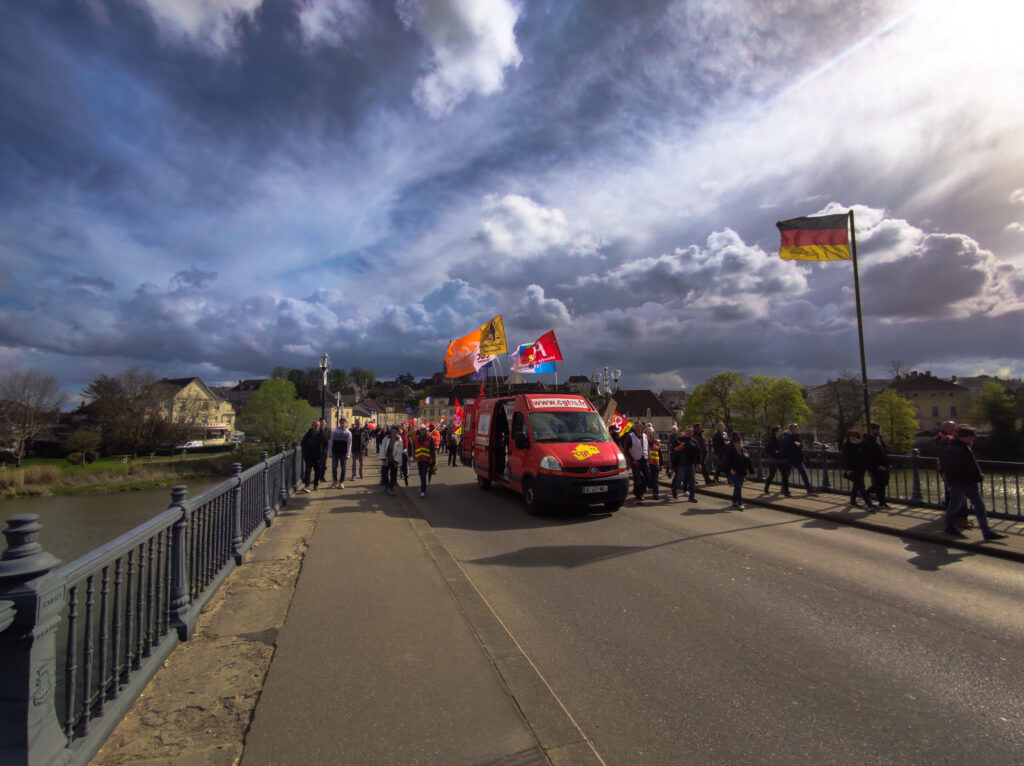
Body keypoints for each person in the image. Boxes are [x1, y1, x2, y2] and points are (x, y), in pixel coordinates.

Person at [940, 426, 1006, 540]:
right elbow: (965, 467)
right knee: (958, 506)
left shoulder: (955, 448)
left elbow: (963, 466)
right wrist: (977, 475)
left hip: (966, 482)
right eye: (972, 438)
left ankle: (986, 531)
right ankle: (952, 527)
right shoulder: (958, 449)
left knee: (972, 506)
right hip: (961, 482)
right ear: (967, 437)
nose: (973, 440)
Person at [935, 420, 970, 528]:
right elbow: (946, 456)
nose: (956, 429)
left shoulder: (945, 438)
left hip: (949, 471)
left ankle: (952, 518)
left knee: (953, 495)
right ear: (948, 428)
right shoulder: (944, 439)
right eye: (954, 427)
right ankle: (957, 520)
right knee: (959, 496)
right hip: (951, 471)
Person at [841, 430, 875, 510]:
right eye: (851, 436)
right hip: (853, 469)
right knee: (861, 486)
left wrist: (861, 442)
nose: (853, 437)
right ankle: (869, 504)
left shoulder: (861, 444)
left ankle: (852, 502)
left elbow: (867, 453)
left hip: (861, 469)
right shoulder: (847, 446)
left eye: (855, 436)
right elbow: (845, 458)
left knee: (857, 485)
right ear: (848, 437)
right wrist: (848, 469)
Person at [780, 423, 815, 496]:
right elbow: (792, 446)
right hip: (790, 458)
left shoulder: (796, 436)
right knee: (787, 473)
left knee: (803, 473)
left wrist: (799, 445)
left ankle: (809, 489)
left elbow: (800, 444)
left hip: (797, 458)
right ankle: (783, 488)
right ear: (792, 429)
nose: (798, 430)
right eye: (797, 428)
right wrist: (798, 445)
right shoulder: (786, 436)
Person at [862, 423, 891, 509]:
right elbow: (868, 456)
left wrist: (889, 463)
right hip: (876, 466)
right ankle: (881, 502)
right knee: (880, 484)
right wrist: (876, 466)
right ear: (872, 430)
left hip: (883, 464)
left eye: (878, 429)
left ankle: (867, 493)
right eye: (876, 429)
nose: (878, 431)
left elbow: (885, 451)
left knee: (884, 481)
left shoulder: (879, 438)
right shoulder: (868, 440)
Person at [723, 433, 753, 510]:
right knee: (738, 486)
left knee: (739, 486)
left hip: (742, 471)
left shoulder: (744, 450)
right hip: (734, 471)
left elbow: (748, 461)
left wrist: (751, 471)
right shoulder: (730, 450)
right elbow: (727, 461)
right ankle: (740, 503)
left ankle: (734, 500)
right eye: (737, 443)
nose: (739, 444)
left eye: (740, 442)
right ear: (734, 443)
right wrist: (730, 469)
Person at [670, 426, 699, 502]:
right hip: (681, 463)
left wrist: (699, 463)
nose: (688, 433)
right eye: (687, 431)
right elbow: (673, 449)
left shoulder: (694, 441)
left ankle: (691, 497)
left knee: (692, 480)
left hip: (691, 463)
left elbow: (698, 452)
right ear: (685, 432)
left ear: (692, 433)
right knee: (680, 478)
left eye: (690, 431)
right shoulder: (679, 440)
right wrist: (678, 448)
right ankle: (674, 490)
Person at [627, 425, 650, 504]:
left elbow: (647, 447)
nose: (637, 429)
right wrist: (632, 460)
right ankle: (638, 497)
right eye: (636, 428)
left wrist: (648, 456)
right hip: (635, 460)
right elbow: (626, 450)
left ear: (641, 428)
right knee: (637, 479)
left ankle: (641, 491)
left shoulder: (644, 436)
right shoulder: (630, 437)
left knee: (648, 476)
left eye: (639, 427)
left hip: (644, 459)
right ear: (634, 429)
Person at [327, 418, 352, 489]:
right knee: (334, 467)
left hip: (343, 453)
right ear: (339, 423)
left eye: (344, 423)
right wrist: (330, 452)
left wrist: (348, 454)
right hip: (335, 452)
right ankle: (335, 481)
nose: (342, 424)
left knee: (343, 468)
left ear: (346, 423)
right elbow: (331, 442)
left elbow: (349, 444)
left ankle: (341, 482)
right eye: (341, 423)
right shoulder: (334, 432)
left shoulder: (348, 433)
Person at [412, 424, 436, 497]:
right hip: (419, 459)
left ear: (426, 430)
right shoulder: (416, 438)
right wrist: (413, 456)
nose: (423, 431)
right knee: (420, 474)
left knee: (423, 475)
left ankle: (422, 491)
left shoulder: (429, 438)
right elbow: (414, 448)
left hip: (426, 459)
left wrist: (432, 458)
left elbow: (432, 449)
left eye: (424, 429)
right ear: (419, 430)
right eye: (421, 430)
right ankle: (423, 487)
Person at [300, 420, 322, 492]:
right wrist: (305, 454)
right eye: (315, 425)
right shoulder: (308, 434)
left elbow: (325, 445)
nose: (316, 427)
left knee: (317, 471)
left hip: (318, 456)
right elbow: (303, 444)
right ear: (312, 426)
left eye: (318, 425)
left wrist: (323, 454)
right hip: (309, 456)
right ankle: (307, 485)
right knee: (308, 471)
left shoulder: (321, 435)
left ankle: (316, 485)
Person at [379, 427, 403, 495]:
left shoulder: (399, 440)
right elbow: (383, 448)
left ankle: (391, 488)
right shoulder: (386, 439)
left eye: (395, 431)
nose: (393, 433)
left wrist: (396, 461)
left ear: (397, 432)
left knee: (393, 475)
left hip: (394, 460)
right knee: (384, 474)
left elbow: (399, 451)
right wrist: (383, 459)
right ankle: (387, 486)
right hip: (387, 459)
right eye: (392, 431)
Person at [762, 425, 784, 494]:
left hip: (779, 459)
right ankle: (766, 488)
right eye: (780, 431)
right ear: (776, 432)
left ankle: (784, 489)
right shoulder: (772, 440)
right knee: (772, 475)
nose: (781, 432)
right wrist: (775, 451)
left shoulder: (780, 439)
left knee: (784, 473)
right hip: (773, 460)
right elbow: (767, 449)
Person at [646, 426, 662, 500]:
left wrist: (661, 464)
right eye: (648, 432)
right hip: (647, 464)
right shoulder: (644, 442)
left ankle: (655, 494)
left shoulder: (656, 443)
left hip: (655, 464)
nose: (650, 434)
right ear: (646, 434)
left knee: (655, 480)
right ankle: (641, 492)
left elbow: (660, 454)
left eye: (651, 432)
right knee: (647, 479)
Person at [316, 417, 330, 490]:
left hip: (325, 451)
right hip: (318, 450)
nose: (322, 423)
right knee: (318, 465)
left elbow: (329, 440)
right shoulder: (317, 430)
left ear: (325, 423)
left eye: (323, 422)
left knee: (324, 465)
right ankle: (317, 478)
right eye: (321, 422)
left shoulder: (328, 431)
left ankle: (322, 477)